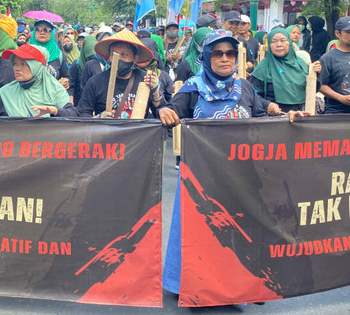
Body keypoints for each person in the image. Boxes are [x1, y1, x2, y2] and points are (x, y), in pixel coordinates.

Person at [157, 30, 304, 296]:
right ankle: (194, 286)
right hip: (203, 178)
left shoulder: (244, 86)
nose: (225, 59)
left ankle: (238, 286)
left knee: (239, 232)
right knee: (201, 234)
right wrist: (165, 110)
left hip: (242, 176)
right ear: (206, 56)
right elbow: (172, 109)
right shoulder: (193, 87)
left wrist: (283, 114)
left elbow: (261, 112)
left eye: (231, 53)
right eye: (218, 53)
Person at [77, 30, 162, 118]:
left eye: (124, 54)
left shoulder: (145, 80)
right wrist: (98, 118)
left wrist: (155, 94)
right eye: (113, 55)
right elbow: (83, 113)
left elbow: (161, 112)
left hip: (137, 131)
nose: (117, 59)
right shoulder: (96, 82)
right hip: (107, 131)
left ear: (135, 58)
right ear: (109, 56)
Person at [250, 27, 310, 112]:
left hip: (302, 115)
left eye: (283, 40)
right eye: (274, 41)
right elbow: (252, 95)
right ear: (269, 45)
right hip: (275, 118)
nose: (279, 44)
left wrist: (316, 73)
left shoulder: (300, 64)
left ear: (289, 42)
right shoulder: (263, 67)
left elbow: (311, 89)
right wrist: (267, 105)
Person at [28, 19, 69, 88]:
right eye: (39, 29)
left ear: (52, 33)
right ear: (34, 31)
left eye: (47, 29)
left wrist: (65, 83)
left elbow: (66, 76)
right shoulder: (25, 52)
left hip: (53, 96)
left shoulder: (58, 54)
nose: (42, 32)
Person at [68, 35, 96, 105]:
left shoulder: (101, 64)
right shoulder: (77, 64)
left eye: (93, 57)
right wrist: (71, 101)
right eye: (89, 58)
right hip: (79, 102)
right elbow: (71, 84)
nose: (90, 63)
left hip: (95, 102)